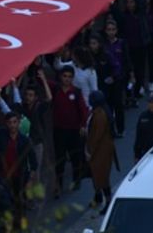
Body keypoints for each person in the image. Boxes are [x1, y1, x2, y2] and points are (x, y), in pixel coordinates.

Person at [0, 111, 38, 228]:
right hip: (3, 178)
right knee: (4, 205)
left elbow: (33, 163)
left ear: (18, 123)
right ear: (6, 123)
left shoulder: (25, 140)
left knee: (20, 206)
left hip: (20, 179)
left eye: (14, 122)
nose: (12, 125)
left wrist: (30, 181)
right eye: (9, 123)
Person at [50, 65, 88, 198]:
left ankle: (76, 179)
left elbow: (83, 110)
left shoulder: (76, 92)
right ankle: (58, 186)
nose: (67, 79)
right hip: (59, 130)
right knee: (59, 159)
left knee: (75, 157)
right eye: (64, 76)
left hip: (74, 131)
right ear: (61, 77)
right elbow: (42, 80)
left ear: (73, 78)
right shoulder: (55, 89)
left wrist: (83, 125)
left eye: (69, 77)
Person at [86, 90, 116, 214]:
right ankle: (98, 196)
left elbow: (96, 136)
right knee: (97, 175)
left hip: (100, 151)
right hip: (100, 150)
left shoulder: (100, 115)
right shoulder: (98, 112)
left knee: (102, 178)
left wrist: (90, 151)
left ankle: (108, 202)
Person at [103, 20, 131, 136]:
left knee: (118, 104)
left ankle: (120, 129)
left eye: (113, 29)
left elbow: (126, 59)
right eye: (109, 30)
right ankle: (111, 129)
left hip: (119, 78)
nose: (111, 32)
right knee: (108, 105)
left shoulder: (122, 43)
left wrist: (130, 74)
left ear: (116, 30)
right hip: (106, 79)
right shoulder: (103, 45)